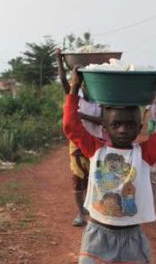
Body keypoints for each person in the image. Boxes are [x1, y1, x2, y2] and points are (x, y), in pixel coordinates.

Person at [64, 65, 156, 264]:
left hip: (131, 237)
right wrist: (74, 88)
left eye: (130, 125)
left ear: (140, 127)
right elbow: (70, 126)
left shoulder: (144, 154)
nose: (123, 130)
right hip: (97, 235)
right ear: (105, 127)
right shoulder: (96, 149)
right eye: (116, 125)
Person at [56, 49, 105, 227]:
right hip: (77, 144)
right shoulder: (77, 99)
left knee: (96, 179)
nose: (85, 86)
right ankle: (80, 214)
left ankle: (95, 210)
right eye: (83, 83)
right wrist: (59, 59)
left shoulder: (103, 100)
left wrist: (82, 116)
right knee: (77, 179)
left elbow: (104, 120)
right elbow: (63, 80)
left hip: (97, 144)